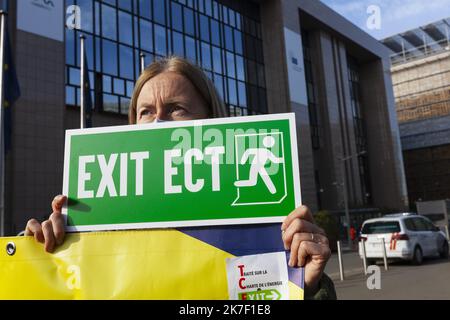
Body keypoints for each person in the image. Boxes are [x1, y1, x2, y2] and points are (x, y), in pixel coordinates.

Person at [24, 56, 336, 300]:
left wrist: (305, 288)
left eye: (177, 109)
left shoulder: (255, 210)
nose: (159, 121)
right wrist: (43, 258)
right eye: (146, 112)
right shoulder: (96, 214)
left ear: (212, 121)